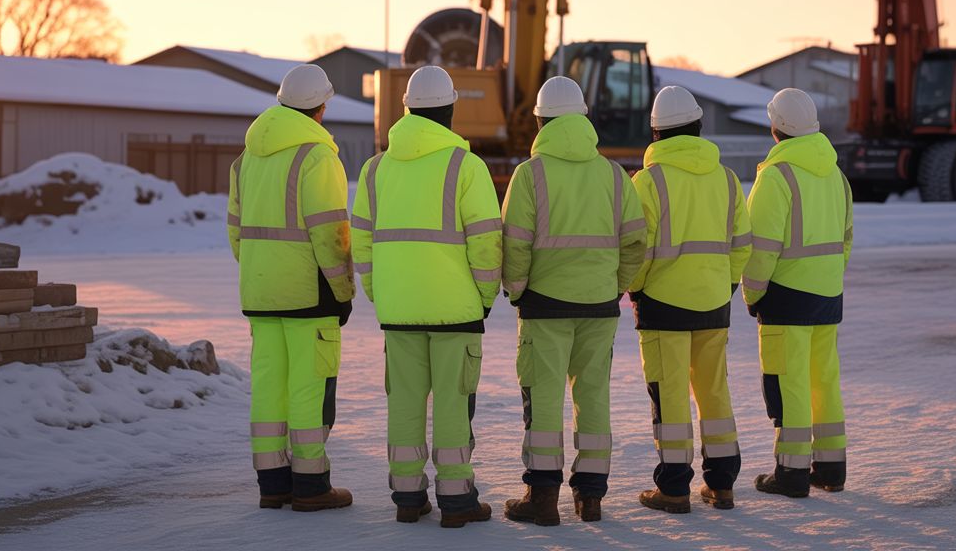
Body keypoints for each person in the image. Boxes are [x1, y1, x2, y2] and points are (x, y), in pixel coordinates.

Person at [350, 65, 503, 528]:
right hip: (456, 310)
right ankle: (457, 501)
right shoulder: (465, 166)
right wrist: (484, 299)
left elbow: (361, 241)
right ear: (451, 109)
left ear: (407, 110)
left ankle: (408, 497)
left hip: (399, 311)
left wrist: (381, 295)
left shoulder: (375, 170)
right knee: (455, 404)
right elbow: (485, 242)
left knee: (405, 403)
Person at [499, 76, 647, 525]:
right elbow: (636, 242)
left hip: (544, 307)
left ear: (541, 121)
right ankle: (591, 498)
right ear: (583, 117)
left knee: (543, 400)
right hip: (599, 306)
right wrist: (615, 286)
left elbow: (515, 245)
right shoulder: (614, 175)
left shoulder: (530, 175)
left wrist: (519, 290)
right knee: (594, 399)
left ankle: (541, 500)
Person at [227, 64, 355, 512]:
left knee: (269, 387)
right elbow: (331, 236)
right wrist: (343, 291)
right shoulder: (317, 157)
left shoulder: (246, 159)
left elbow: (236, 232)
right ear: (320, 107)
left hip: (261, 294)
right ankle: (311, 485)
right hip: (309, 293)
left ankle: (273, 484)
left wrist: (263, 275)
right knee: (308, 386)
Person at [629, 85, 753, 514]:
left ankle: (675, 487)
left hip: (663, 303)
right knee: (715, 392)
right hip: (714, 302)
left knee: (671, 397)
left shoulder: (649, 181)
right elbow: (742, 243)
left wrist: (637, 288)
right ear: (699, 125)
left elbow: (638, 249)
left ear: (657, 133)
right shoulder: (727, 179)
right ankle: (722, 485)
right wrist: (727, 284)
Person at [742, 87, 852, 498]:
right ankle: (831, 469)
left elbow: (760, 251)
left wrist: (752, 295)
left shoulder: (776, 176)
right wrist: (827, 278)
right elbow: (846, 239)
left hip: (786, 296)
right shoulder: (836, 175)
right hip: (827, 294)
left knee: (788, 384)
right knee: (824, 381)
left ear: (776, 128)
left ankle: (790, 474)